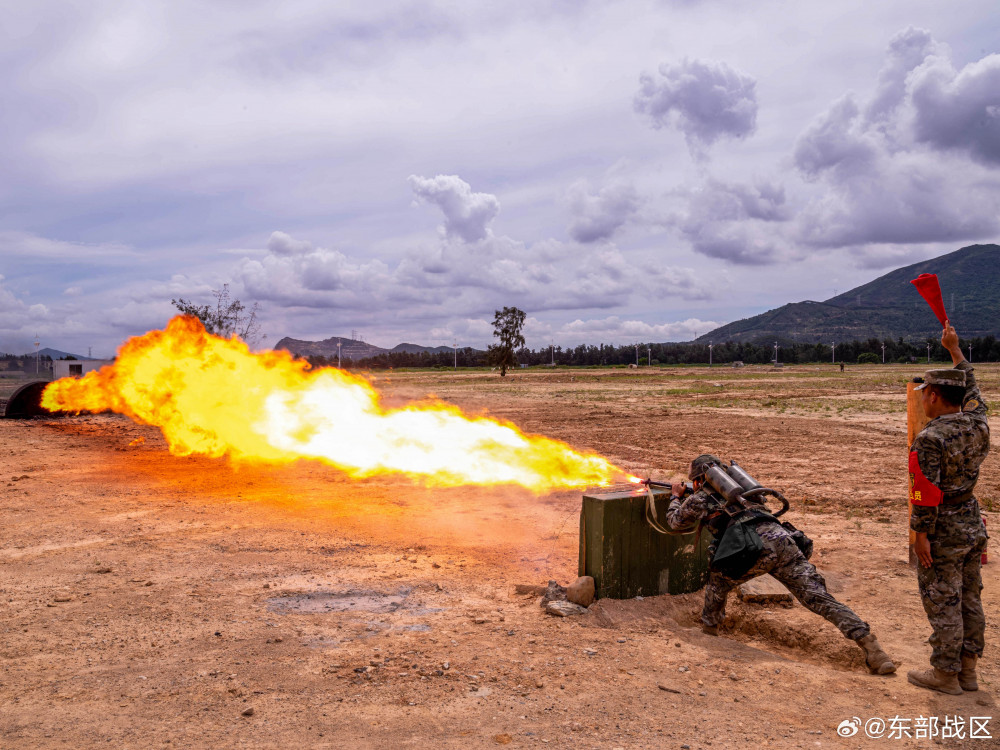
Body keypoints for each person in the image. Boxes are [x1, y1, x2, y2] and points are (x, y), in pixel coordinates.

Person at [666, 455, 896, 675]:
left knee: (719, 580)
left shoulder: (700, 499)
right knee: (818, 598)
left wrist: (676, 497)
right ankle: (874, 650)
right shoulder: (748, 491)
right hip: (785, 542)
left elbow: (675, 522)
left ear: (699, 479)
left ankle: (709, 630)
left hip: (752, 550)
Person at [906, 322, 989, 695]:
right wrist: (955, 350)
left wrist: (920, 536)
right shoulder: (978, 424)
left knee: (943, 600)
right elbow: (972, 386)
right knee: (970, 596)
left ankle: (944, 674)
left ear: (935, 396)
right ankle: (968, 672)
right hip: (971, 520)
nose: (923, 399)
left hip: (943, 527)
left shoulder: (931, 438)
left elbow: (925, 493)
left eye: (926, 393)